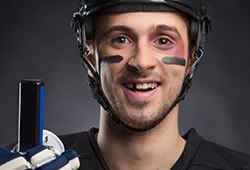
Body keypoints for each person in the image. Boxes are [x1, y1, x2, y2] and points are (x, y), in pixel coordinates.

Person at [59, 0, 250, 169]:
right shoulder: (43, 162)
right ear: (90, 57)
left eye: (164, 40)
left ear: (192, 57)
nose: (141, 62)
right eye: (121, 39)